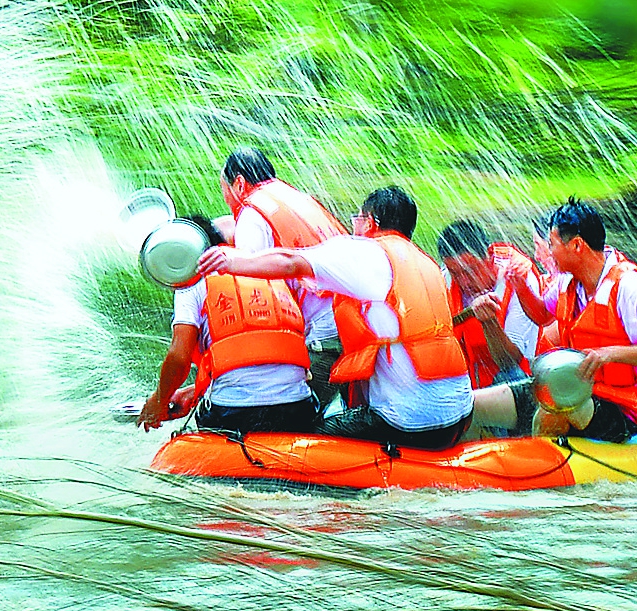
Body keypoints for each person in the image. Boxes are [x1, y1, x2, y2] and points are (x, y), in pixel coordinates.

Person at [199, 186, 474, 449]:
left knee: (303, 436)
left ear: (370, 222)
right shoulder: (425, 264)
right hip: (458, 416)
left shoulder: (365, 252)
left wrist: (233, 261)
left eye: (357, 219)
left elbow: (291, 261)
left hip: (409, 423)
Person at [473, 199, 637, 442]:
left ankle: (540, 465)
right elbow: (541, 316)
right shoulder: (566, 282)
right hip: (571, 389)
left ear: (577, 245)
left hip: (624, 410)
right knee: (473, 405)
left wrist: (608, 355)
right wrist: (520, 286)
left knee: (552, 410)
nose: (548, 252)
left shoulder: (628, 285)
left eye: (552, 244)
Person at [137, 218, 320, 435]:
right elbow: (262, 360)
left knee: (202, 417)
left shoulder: (191, 284)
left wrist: (159, 400)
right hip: (297, 408)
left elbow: (179, 357)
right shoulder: (267, 269)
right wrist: (194, 391)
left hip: (232, 414)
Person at [219, 149, 349, 402]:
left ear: (239, 184)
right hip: (352, 326)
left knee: (287, 413)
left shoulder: (252, 214)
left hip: (323, 340)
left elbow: (254, 296)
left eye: (223, 187)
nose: (225, 197)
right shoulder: (297, 199)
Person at [436, 219, 544, 389]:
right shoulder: (443, 279)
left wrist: (489, 322)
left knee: (511, 377)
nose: (464, 282)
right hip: (467, 384)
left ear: (489, 256)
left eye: (470, 270)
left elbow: (511, 362)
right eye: (455, 273)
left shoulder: (518, 278)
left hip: (520, 382)